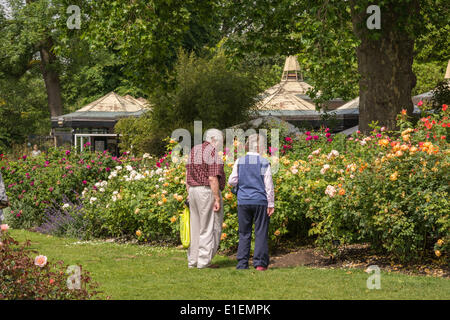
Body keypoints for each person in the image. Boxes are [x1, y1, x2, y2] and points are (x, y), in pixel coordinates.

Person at [228, 134, 274, 271]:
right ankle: (259, 263)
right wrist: (271, 203)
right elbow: (268, 185)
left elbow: (232, 181)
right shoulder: (264, 162)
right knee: (260, 231)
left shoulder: (239, 161)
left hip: (243, 201)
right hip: (260, 200)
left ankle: (242, 263)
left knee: (244, 233)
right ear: (260, 147)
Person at [185, 129, 225, 269]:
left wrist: (189, 193)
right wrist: (217, 199)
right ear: (215, 139)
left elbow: (187, 175)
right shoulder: (212, 152)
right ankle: (203, 262)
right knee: (208, 226)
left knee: (195, 227)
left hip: (193, 191)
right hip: (206, 191)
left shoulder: (194, 150)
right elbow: (213, 178)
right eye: (221, 141)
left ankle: (193, 261)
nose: (221, 144)